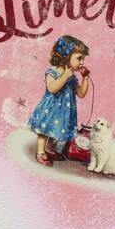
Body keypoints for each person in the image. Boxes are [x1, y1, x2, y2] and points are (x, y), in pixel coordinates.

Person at [28, 35, 91, 166]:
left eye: (83, 59)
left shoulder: (72, 76)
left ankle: (50, 149)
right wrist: (65, 76)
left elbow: (81, 93)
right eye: (79, 58)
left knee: (58, 130)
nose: (82, 62)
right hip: (51, 109)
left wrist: (85, 79)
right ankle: (40, 153)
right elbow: (52, 88)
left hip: (64, 111)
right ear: (65, 56)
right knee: (44, 131)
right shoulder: (52, 72)